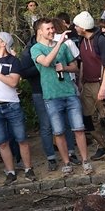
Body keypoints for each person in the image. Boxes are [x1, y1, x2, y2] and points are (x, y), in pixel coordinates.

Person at [30, 19, 92, 175]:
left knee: (78, 129)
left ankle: (85, 161)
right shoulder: (36, 48)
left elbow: (75, 68)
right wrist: (58, 43)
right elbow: (45, 62)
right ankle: (66, 163)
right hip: (51, 96)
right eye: (48, 29)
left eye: (52, 28)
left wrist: (64, 68)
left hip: (69, 93)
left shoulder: (64, 47)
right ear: (40, 32)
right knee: (58, 132)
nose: (52, 31)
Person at [70, 12, 105, 161]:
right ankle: (102, 146)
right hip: (88, 84)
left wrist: (103, 88)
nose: (75, 28)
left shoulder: (101, 40)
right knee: (89, 118)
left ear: (83, 27)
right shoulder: (82, 40)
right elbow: (83, 62)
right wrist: (81, 82)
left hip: (100, 82)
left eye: (77, 26)